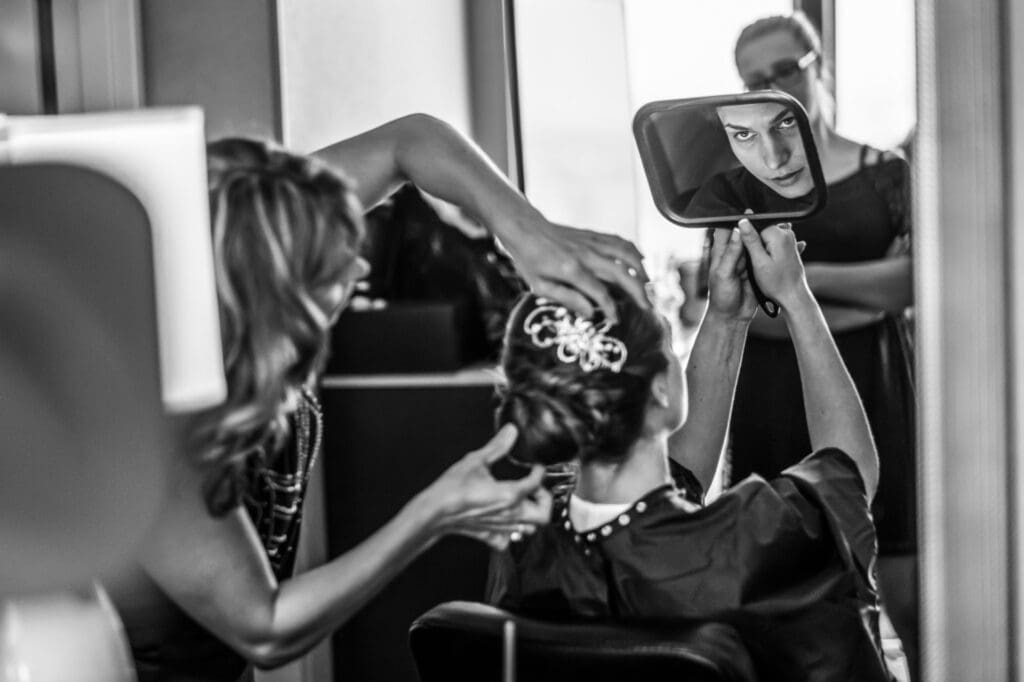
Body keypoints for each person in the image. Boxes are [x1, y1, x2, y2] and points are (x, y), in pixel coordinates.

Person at [105, 114, 650, 680]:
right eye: (332, 264)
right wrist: (432, 513)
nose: (361, 266)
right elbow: (263, 627)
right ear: (270, 288)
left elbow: (410, 140)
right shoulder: (155, 424)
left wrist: (527, 234)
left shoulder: (262, 231)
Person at [488, 221, 890, 681]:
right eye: (669, 344)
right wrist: (797, 298)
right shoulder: (748, 546)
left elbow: (668, 487)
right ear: (661, 389)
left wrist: (727, 317)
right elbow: (849, 471)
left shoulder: (524, 545)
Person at [726, 12, 917, 674]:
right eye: (755, 82)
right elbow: (750, 310)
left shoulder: (886, 172)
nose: (773, 88)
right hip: (773, 397)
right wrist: (849, 297)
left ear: (818, 66)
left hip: (879, 385)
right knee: (781, 596)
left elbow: (914, 282)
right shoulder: (735, 191)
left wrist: (796, 284)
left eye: (784, 70)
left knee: (907, 586)